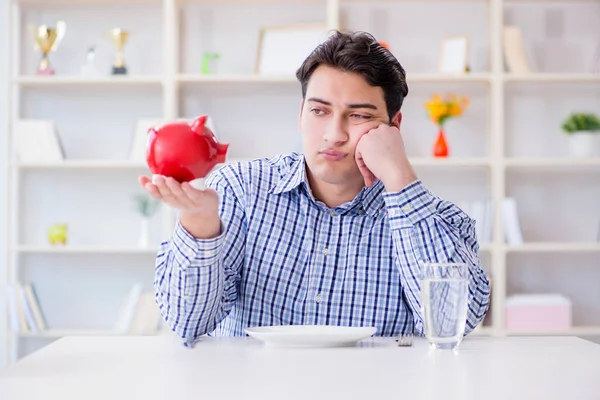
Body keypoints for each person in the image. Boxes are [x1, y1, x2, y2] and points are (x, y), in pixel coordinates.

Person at [139, 30, 490, 347]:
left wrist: (400, 178)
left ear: (393, 125)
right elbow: (187, 324)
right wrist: (200, 229)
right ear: (301, 114)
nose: (334, 135)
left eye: (359, 116)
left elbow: (453, 324)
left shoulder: (438, 219)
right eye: (320, 111)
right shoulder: (238, 190)